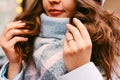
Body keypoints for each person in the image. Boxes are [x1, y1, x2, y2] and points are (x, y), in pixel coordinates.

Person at [0, 0, 120, 80]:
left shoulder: (108, 42)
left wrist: (81, 70)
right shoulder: (26, 37)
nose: (53, 0)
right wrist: (14, 64)